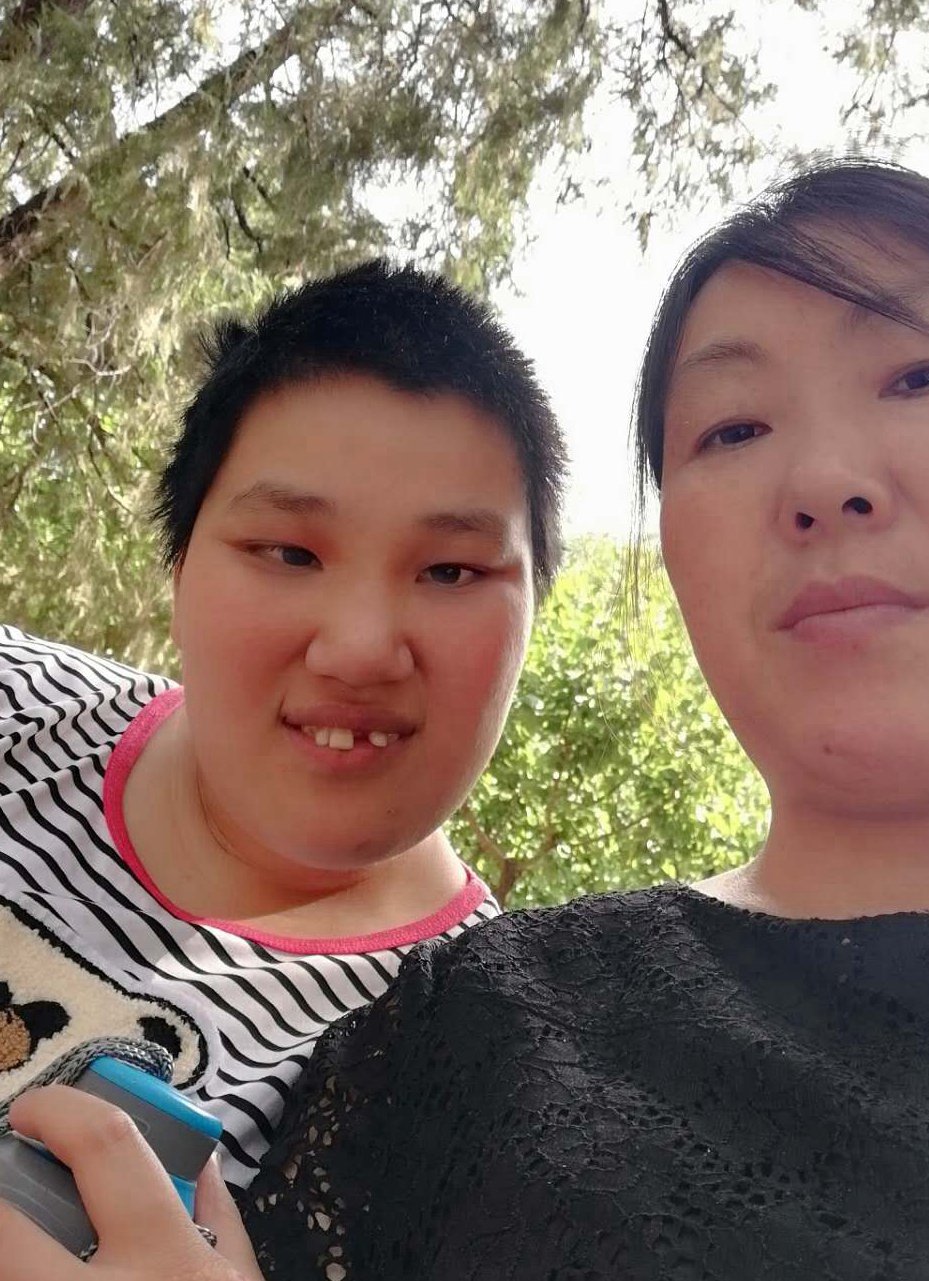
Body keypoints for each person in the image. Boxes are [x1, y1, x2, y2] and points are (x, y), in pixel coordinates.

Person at [5, 155, 929, 1281]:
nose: (824, 478)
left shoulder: (408, 1033)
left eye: (921, 373)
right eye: (733, 429)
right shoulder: (486, 1034)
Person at [0, 259, 566, 1188]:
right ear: (180, 562)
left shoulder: (481, 1091)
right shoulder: (17, 704)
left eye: (451, 571)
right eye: (291, 552)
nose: (360, 649)